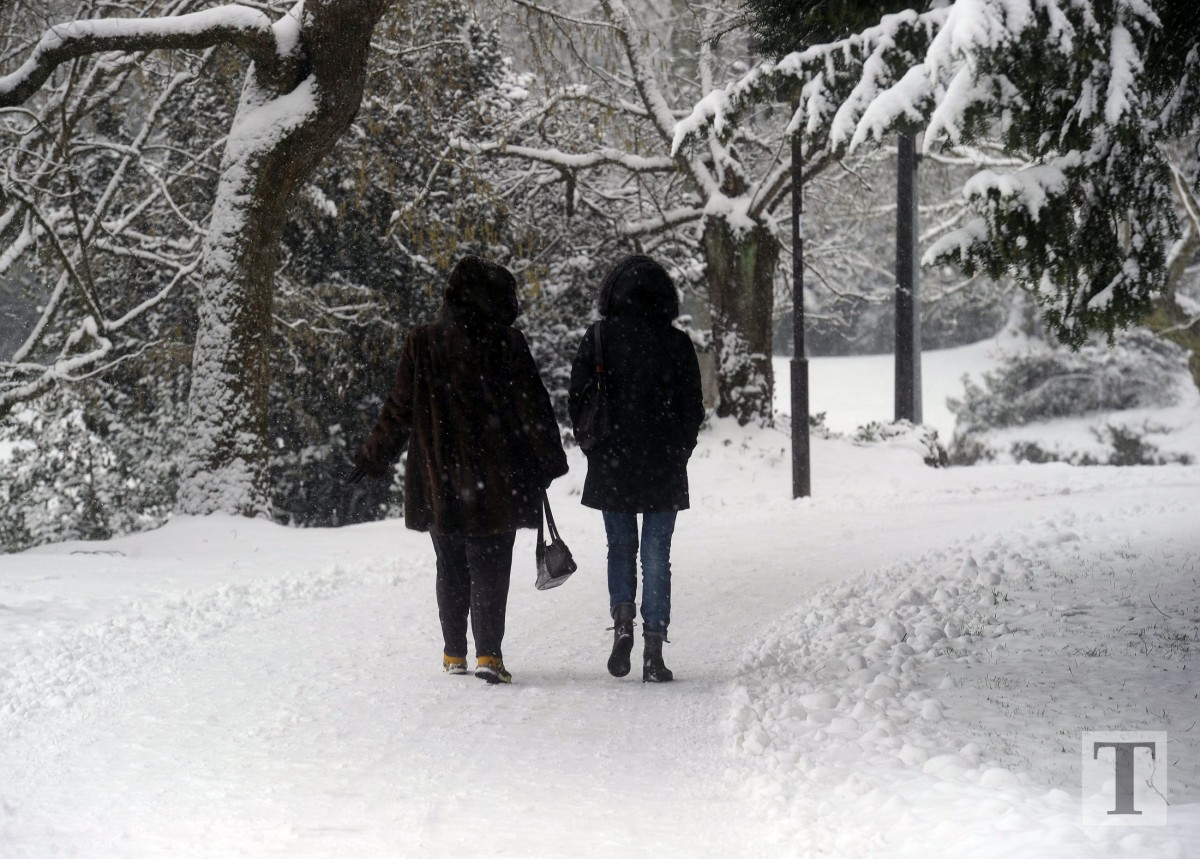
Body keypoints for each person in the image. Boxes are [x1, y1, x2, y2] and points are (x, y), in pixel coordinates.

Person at [351, 255, 568, 684]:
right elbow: (535, 411)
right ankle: (489, 654)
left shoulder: (423, 342)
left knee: (449, 565)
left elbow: (399, 409)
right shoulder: (507, 344)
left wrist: (373, 456)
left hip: (440, 480)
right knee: (490, 565)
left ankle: (454, 654)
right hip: (498, 480)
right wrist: (547, 461)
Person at [568, 254, 704, 682]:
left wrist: (595, 449)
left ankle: (622, 621)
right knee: (657, 555)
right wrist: (679, 449)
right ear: (665, 296)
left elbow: (577, 401)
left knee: (621, 548)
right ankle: (653, 649)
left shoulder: (599, 338)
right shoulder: (677, 343)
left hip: (613, 460)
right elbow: (692, 408)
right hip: (663, 461)